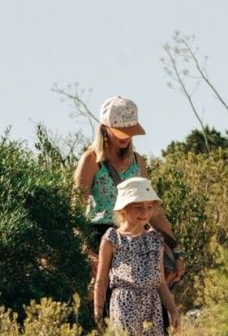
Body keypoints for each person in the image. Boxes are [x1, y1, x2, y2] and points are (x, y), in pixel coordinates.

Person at [74, 96, 185, 283]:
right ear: (104, 129)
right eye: (120, 131)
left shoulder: (138, 162)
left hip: (135, 236)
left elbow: (154, 212)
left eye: (129, 130)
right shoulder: (91, 160)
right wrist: (85, 251)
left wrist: (176, 251)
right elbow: (75, 210)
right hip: (100, 237)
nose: (125, 136)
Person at [94, 177, 180, 336]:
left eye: (149, 207)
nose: (145, 212)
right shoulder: (112, 238)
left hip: (152, 306)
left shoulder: (155, 239)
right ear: (123, 210)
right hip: (124, 305)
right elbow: (101, 280)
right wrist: (98, 313)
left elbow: (161, 282)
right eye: (138, 207)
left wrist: (173, 310)